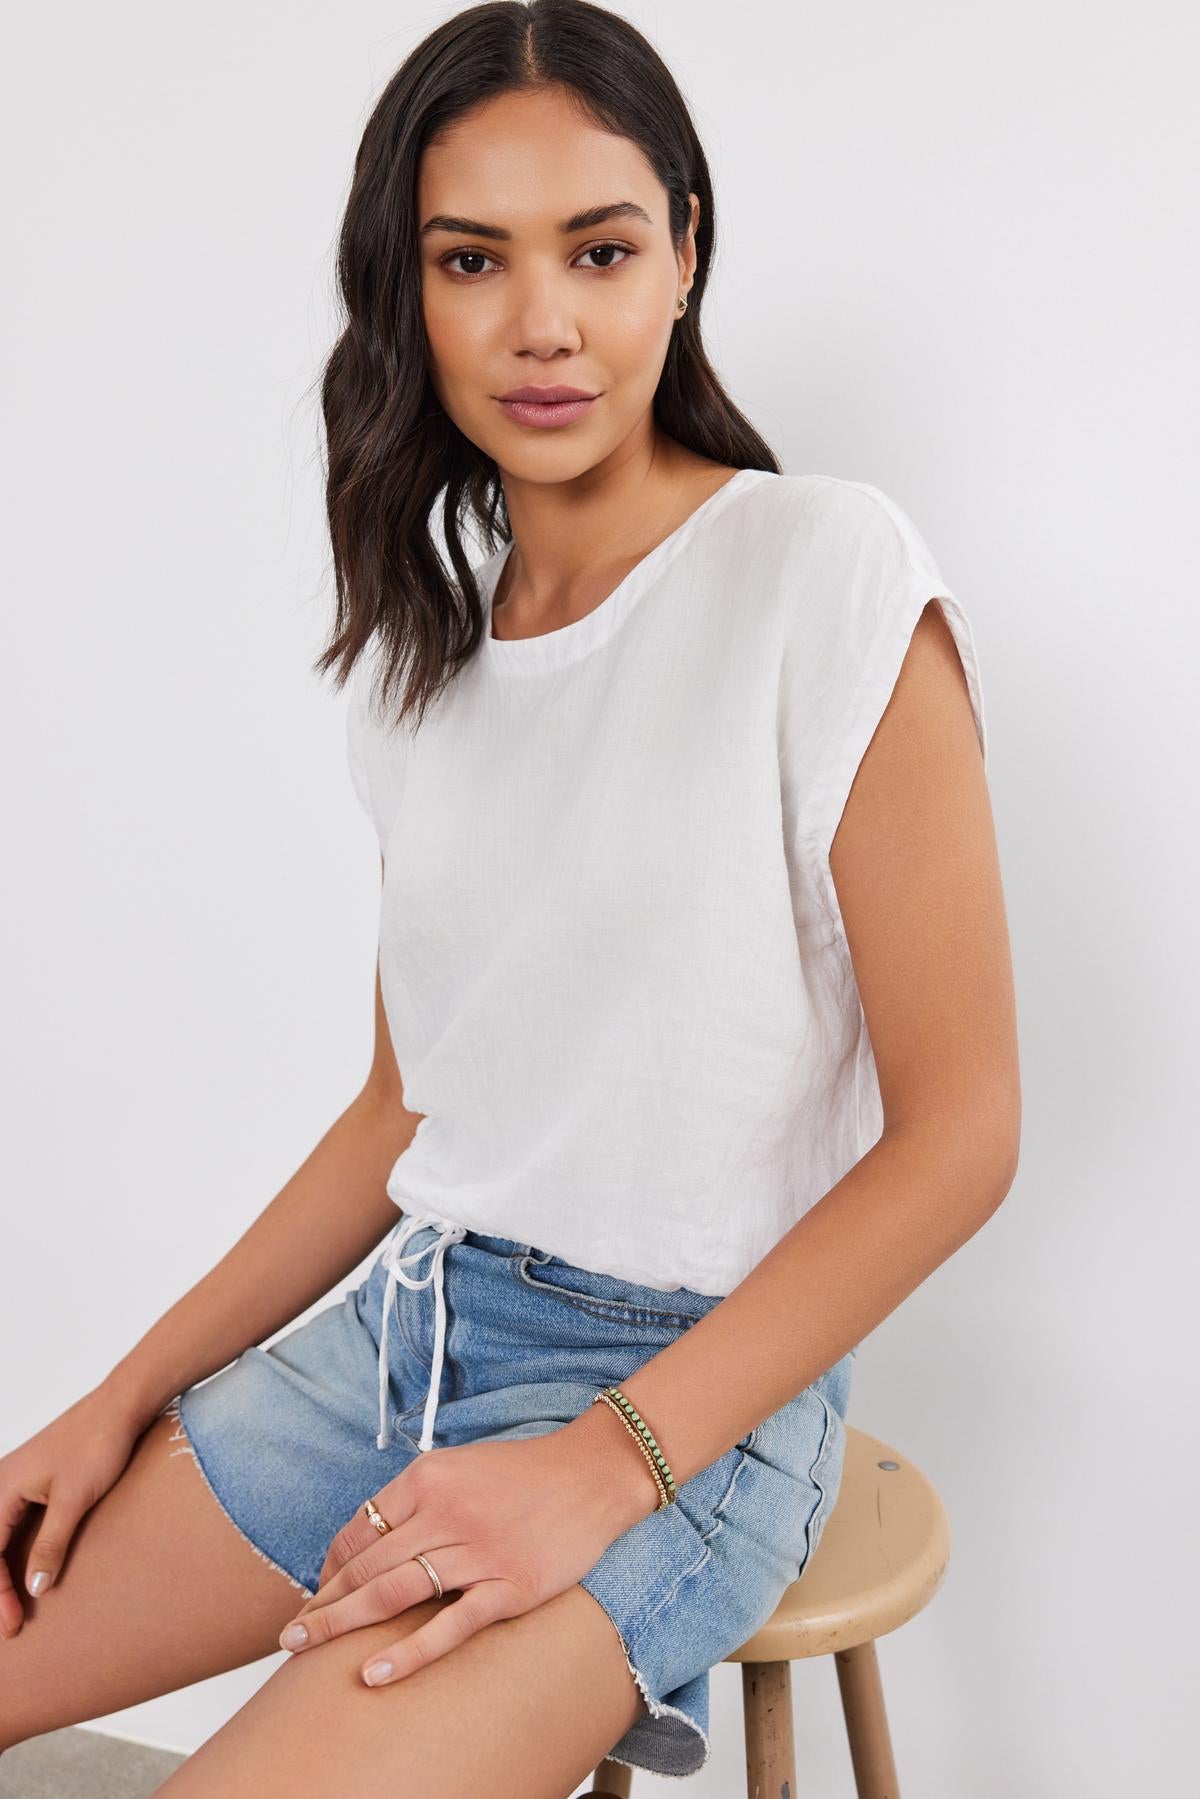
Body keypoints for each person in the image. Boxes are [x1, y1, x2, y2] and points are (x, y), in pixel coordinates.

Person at [0, 3, 1020, 1794]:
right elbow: (408, 1107)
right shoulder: (429, 678)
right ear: (408, 292)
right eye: (473, 260)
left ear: (685, 257)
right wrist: (119, 1397)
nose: (543, 322)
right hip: (408, 1333)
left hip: (691, 1395)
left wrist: (602, 1463)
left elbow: (964, 1137)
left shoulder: (822, 573)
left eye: (603, 250)